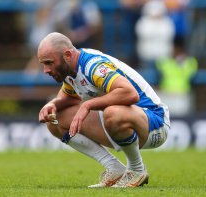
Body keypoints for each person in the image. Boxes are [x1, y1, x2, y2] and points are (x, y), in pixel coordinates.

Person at [37, 32, 170, 188]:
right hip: (124, 122)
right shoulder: (68, 70)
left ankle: (136, 169)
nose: (46, 70)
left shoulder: (93, 66)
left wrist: (88, 105)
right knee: (55, 119)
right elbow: (70, 98)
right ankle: (114, 168)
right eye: (43, 64)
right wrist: (52, 104)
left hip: (155, 123)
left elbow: (130, 93)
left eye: (49, 63)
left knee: (113, 113)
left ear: (67, 55)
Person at [135, 0, 175, 68]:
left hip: (163, 54)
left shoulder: (166, 22)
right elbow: (144, 35)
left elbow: (167, 35)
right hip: (146, 53)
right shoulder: (143, 22)